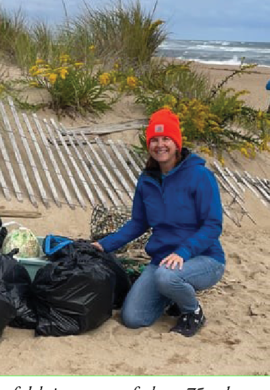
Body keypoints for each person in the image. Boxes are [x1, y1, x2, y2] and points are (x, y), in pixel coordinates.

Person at [92, 108, 225, 337]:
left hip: (204, 258)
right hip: (163, 260)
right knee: (133, 318)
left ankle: (192, 311)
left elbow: (213, 225)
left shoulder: (200, 176)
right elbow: (138, 223)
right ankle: (172, 295)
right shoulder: (147, 180)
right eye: (154, 139)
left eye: (166, 139)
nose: (160, 145)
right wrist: (104, 245)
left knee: (167, 276)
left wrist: (183, 252)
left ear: (177, 143)